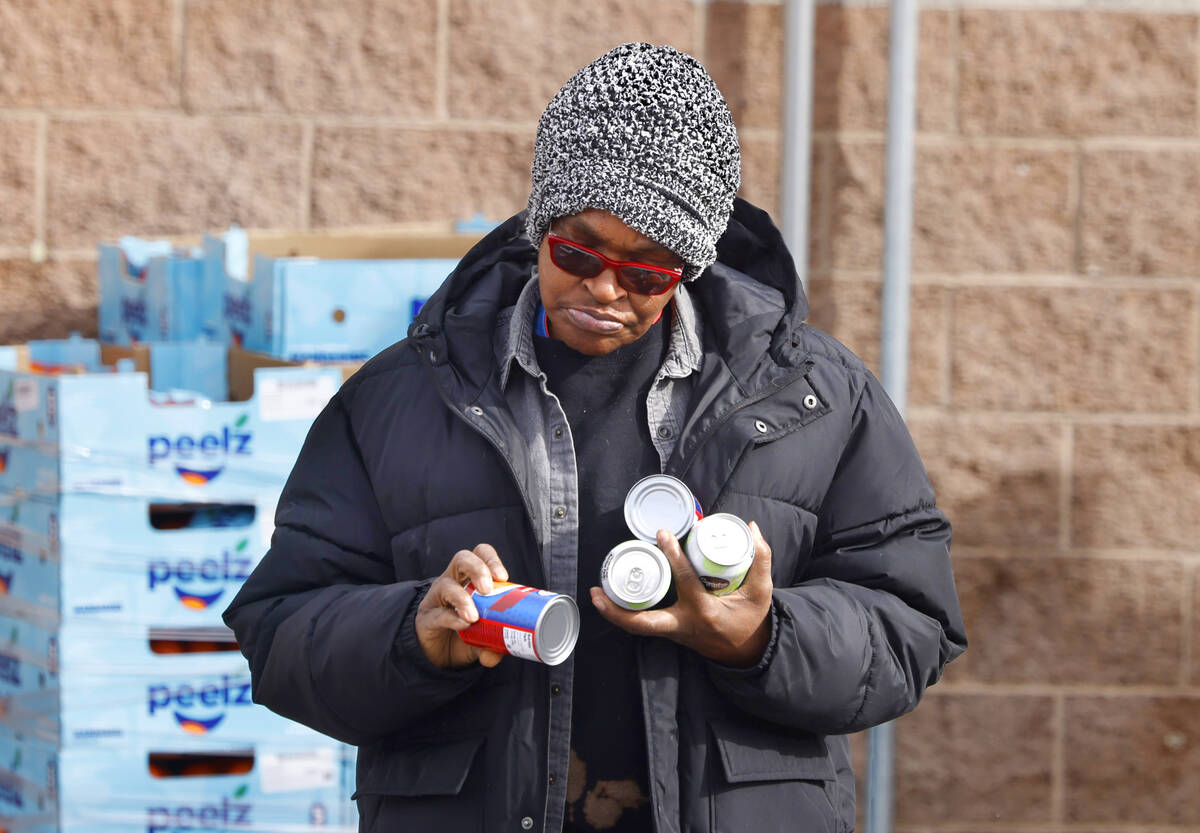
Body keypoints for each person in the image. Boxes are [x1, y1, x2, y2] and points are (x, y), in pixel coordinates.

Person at [224, 42, 966, 833]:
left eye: (649, 273)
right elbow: (281, 628)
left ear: (689, 266)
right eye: (578, 252)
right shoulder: (399, 399)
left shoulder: (813, 395)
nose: (606, 289)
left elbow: (913, 620)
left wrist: (763, 636)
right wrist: (413, 634)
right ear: (539, 225)